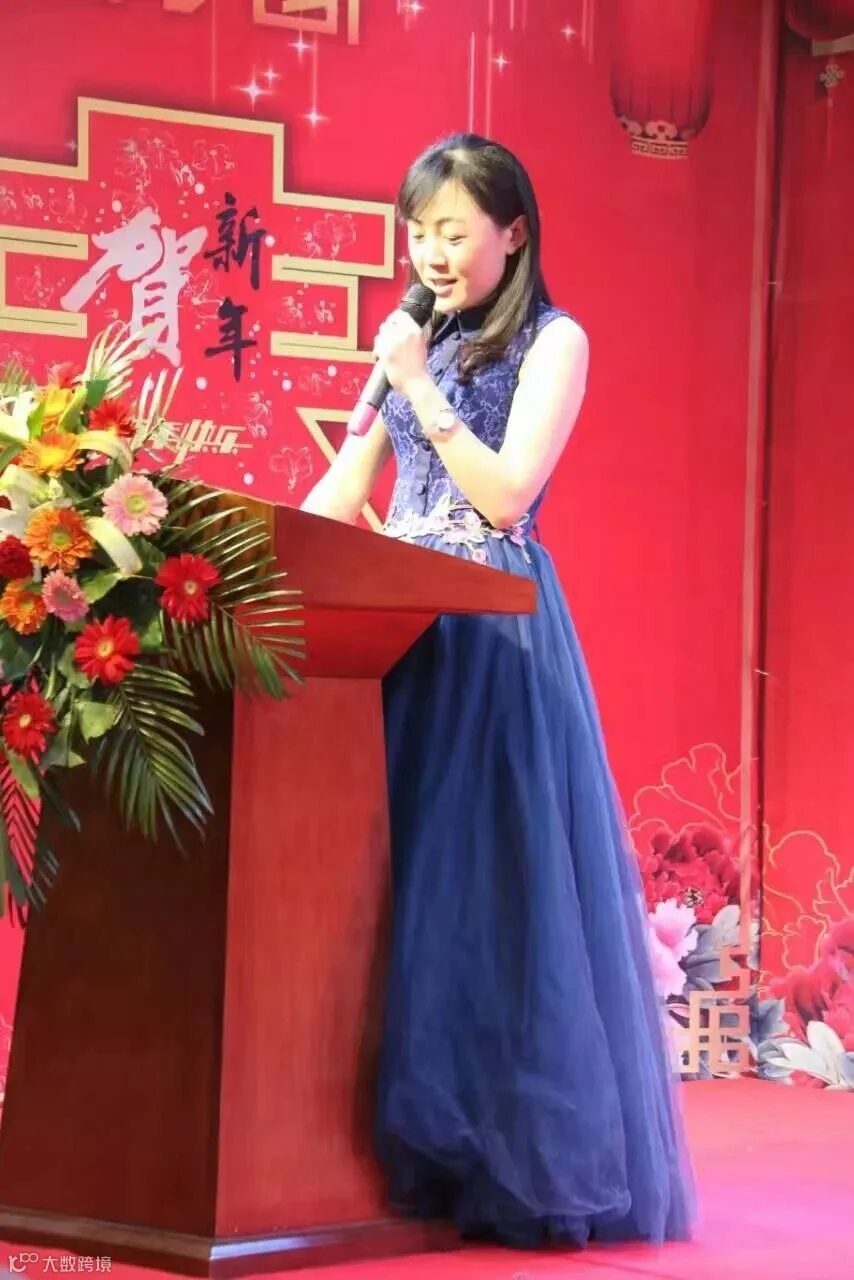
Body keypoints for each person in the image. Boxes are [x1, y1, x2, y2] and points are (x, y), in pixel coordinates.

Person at [301, 134, 694, 1250]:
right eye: (416, 232)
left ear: (511, 233)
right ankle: (359, 1150)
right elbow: (342, 485)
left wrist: (420, 386)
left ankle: (500, 1159)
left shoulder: (553, 341)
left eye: (451, 231)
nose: (429, 254)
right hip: (392, 631)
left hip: (489, 634)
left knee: (484, 897)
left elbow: (505, 497)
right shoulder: (408, 341)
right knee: (395, 890)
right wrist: (257, 550)